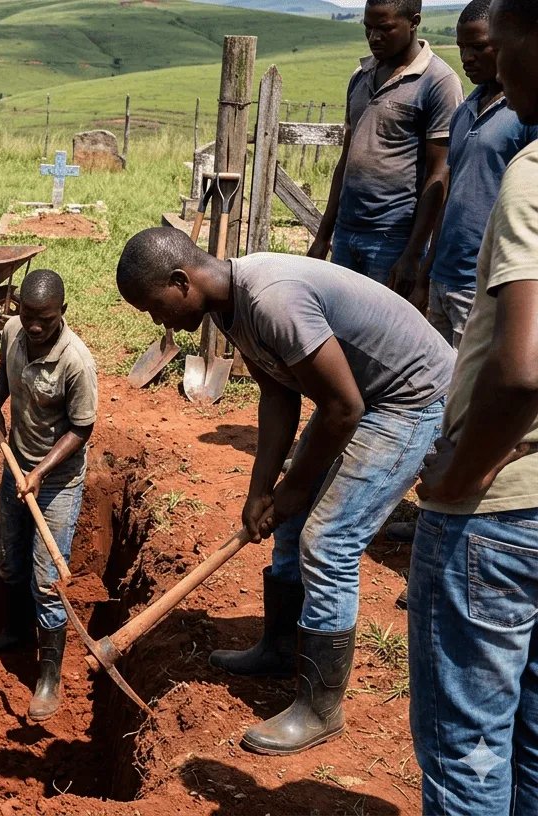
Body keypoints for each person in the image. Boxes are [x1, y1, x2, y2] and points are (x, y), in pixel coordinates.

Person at [116, 228, 454, 755]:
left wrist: (294, 487)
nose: (156, 321)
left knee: (329, 541)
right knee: (290, 520)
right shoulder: (231, 310)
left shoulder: (271, 299)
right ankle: (280, 647)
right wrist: (261, 491)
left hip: (410, 399)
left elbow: (343, 408)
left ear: (181, 281)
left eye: (153, 306)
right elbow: (278, 395)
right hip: (360, 397)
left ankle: (319, 708)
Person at [409, 0, 538, 809]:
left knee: (467, 752)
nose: (500, 60)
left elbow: (522, 369)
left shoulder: (532, 172)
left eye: (510, 42)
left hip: (502, 507)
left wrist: (461, 474)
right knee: (531, 742)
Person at [0, 269, 97, 723]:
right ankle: (15, 630)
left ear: (62, 313)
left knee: (47, 580)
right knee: (9, 556)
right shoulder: (12, 331)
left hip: (58, 479)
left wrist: (42, 472)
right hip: (16, 466)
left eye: (43, 319)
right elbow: (3, 376)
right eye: (27, 314)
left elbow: (82, 428)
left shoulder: (76, 363)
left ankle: (48, 677)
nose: (33, 325)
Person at [308, 0, 462, 297]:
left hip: (393, 237)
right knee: (341, 327)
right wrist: (324, 235)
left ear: (414, 22)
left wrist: (414, 254)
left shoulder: (439, 82)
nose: (374, 37)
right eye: (368, 28)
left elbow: (440, 171)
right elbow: (346, 160)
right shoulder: (361, 76)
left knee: (380, 336)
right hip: (346, 231)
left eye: (385, 28)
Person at [415, 0, 538, 347]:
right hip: (444, 274)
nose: (467, 57)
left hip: (484, 280)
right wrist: (426, 272)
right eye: (461, 47)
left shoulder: (524, 116)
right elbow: (451, 192)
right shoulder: (464, 110)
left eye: (480, 47)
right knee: (438, 385)